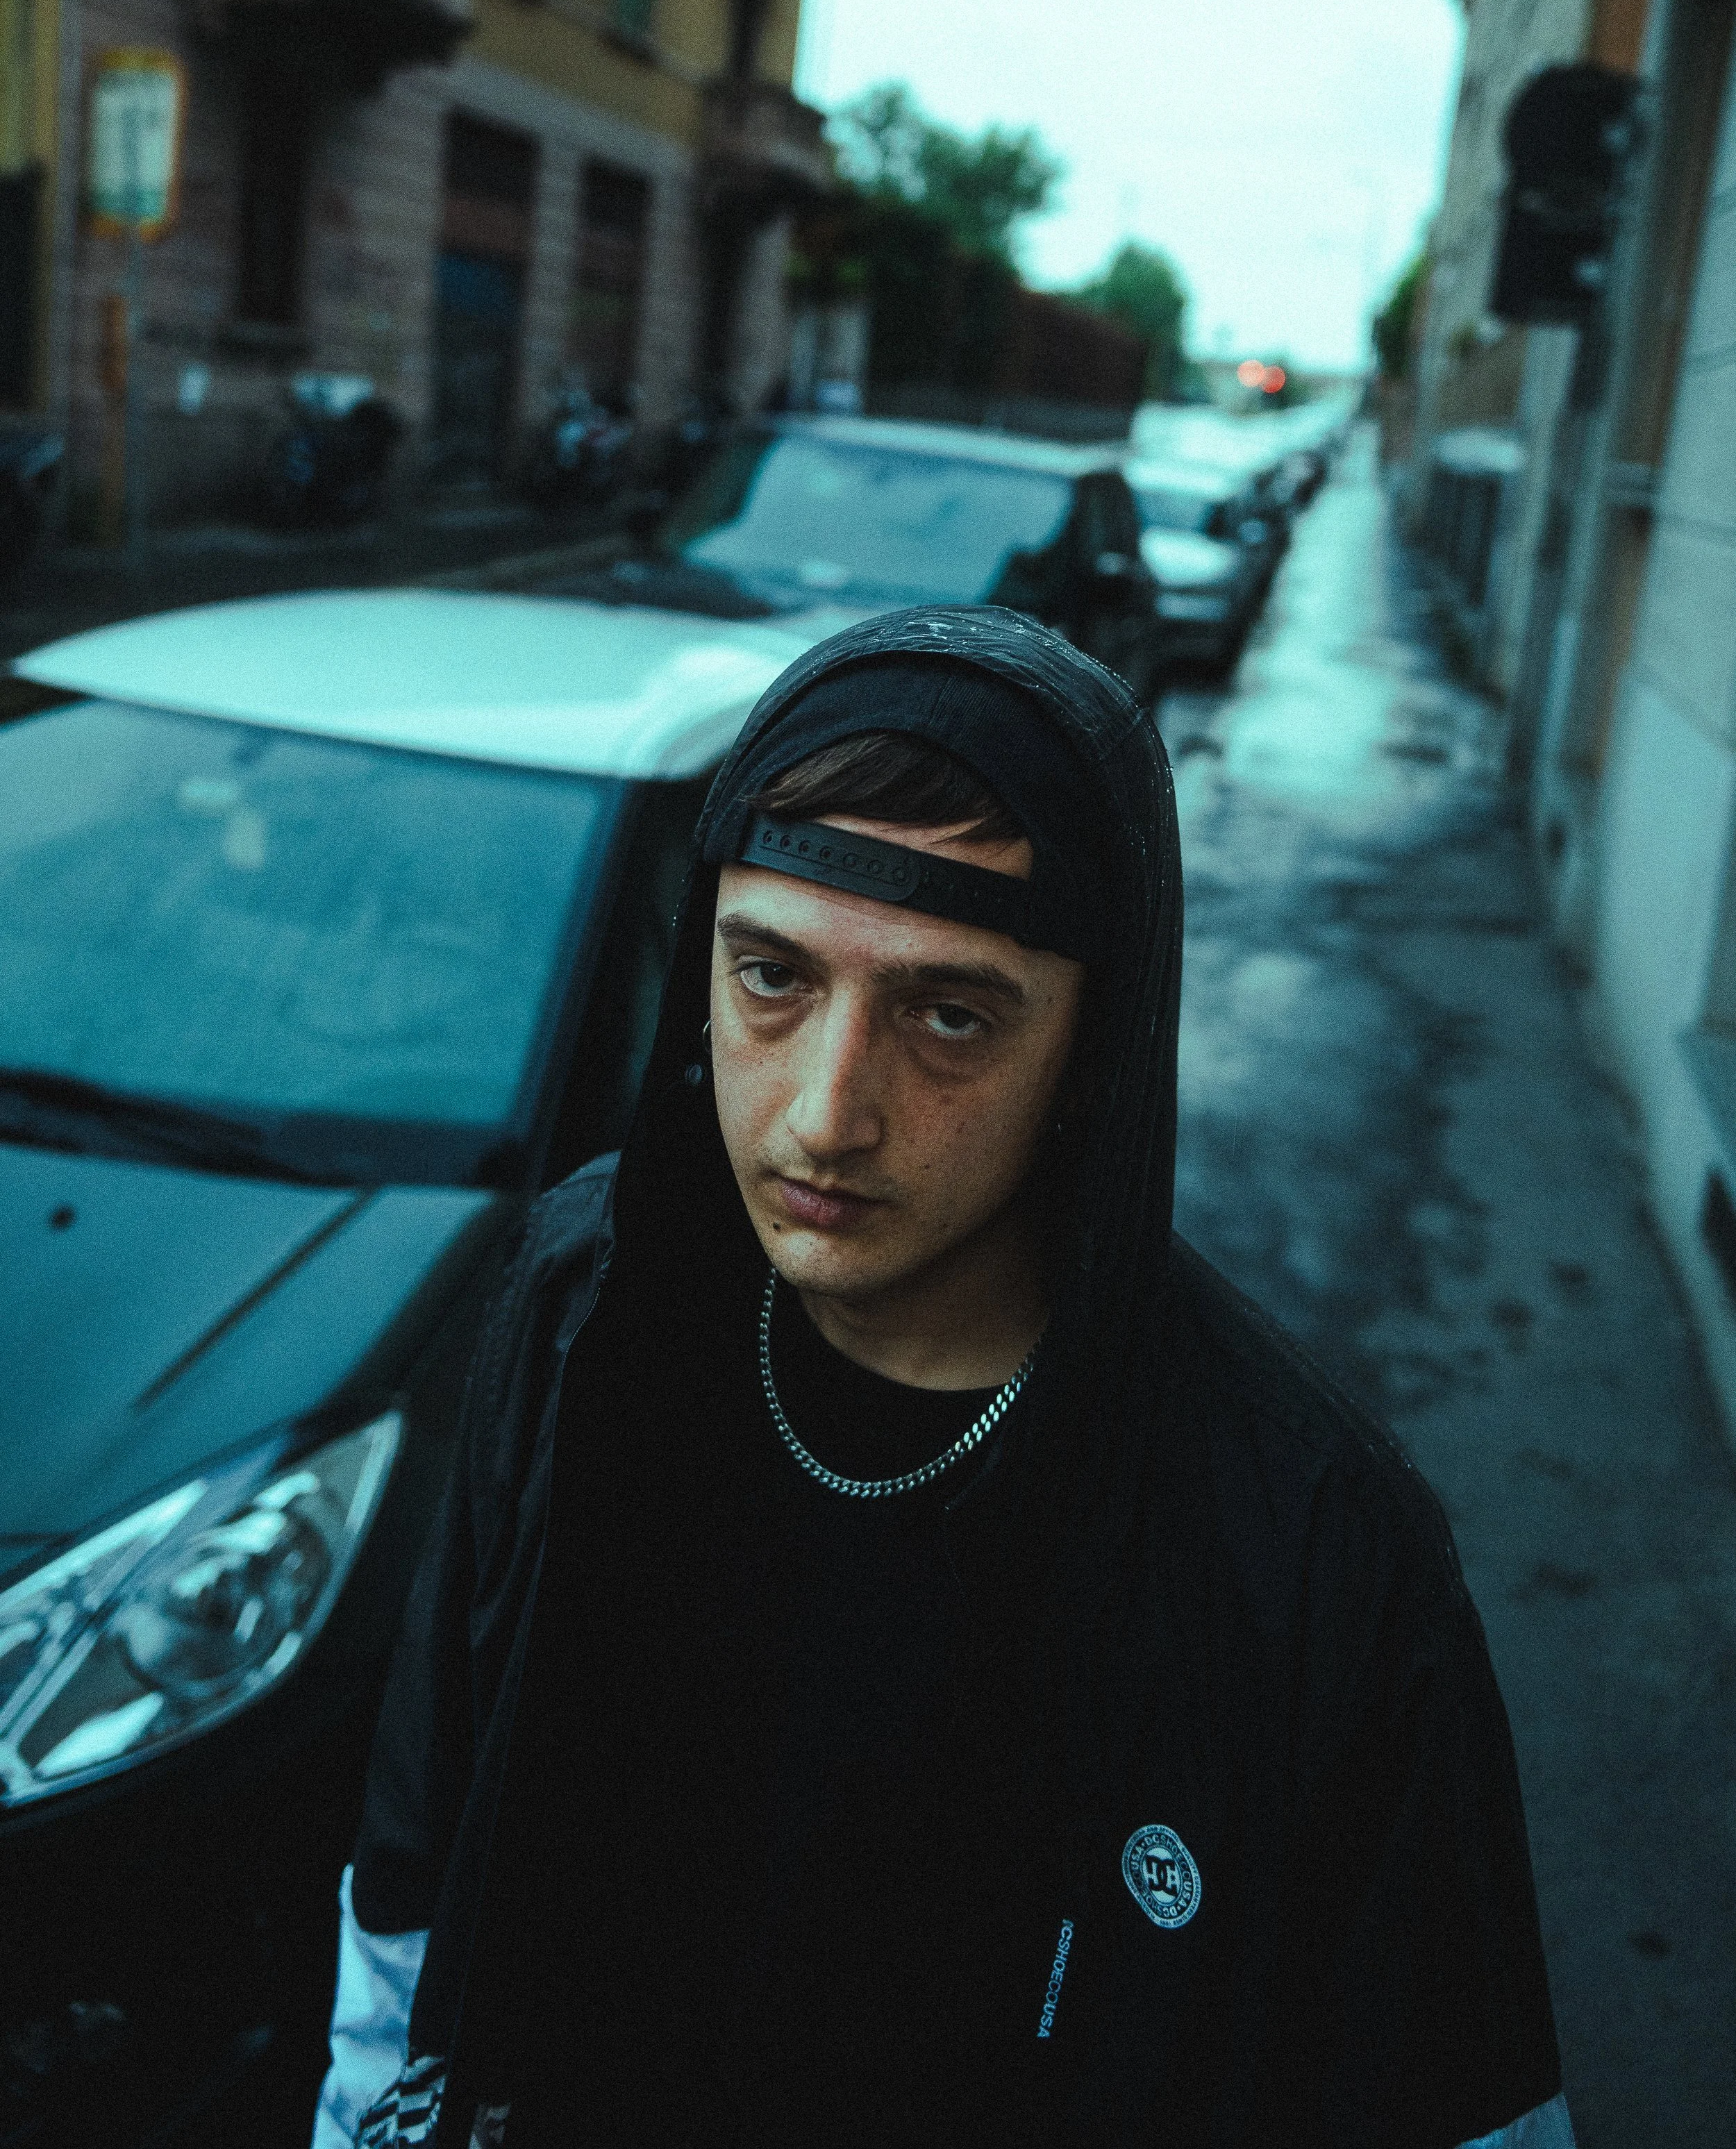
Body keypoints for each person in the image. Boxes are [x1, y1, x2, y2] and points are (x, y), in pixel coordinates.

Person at [314, 606, 1574, 2148]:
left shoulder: (1305, 1543)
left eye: (949, 1014)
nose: (828, 1114)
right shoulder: (593, 1302)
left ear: (1089, 1049)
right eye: (770, 977)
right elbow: (419, 1838)